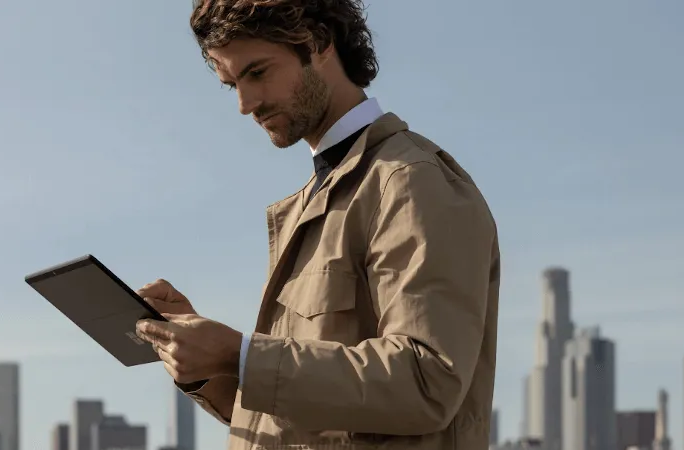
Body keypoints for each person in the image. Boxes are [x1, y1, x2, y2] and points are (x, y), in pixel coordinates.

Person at [133, 0, 501, 448]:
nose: (246, 105)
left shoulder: (410, 180)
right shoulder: (316, 202)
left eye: (257, 72)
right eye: (232, 86)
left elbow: (426, 382)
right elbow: (297, 419)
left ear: (319, 42)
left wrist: (240, 354)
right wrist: (208, 362)